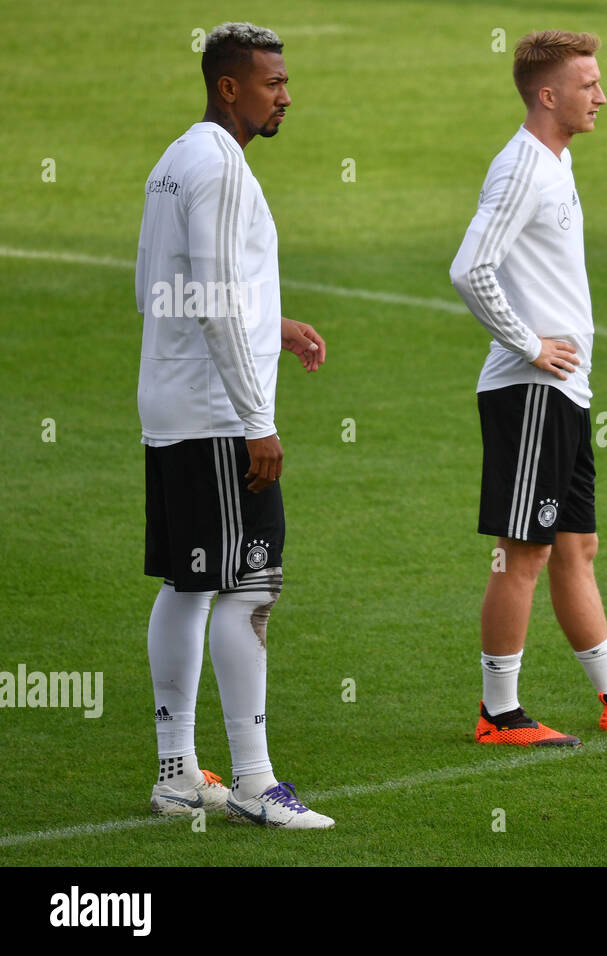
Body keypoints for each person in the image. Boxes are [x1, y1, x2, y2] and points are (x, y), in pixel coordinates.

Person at [450, 30, 607, 746]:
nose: (602, 96)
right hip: (530, 391)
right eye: (589, 84)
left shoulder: (556, 161)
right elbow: (470, 268)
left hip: (566, 394)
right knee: (520, 550)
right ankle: (499, 713)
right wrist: (528, 343)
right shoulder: (522, 166)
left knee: (575, 546)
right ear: (548, 95)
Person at [137, 22, 333, 829]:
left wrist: (269, 320)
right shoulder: (219, 166)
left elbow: (168, 283)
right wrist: (257, 420)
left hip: (175, 399)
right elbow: (212, 296)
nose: (286, 94)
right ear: (229, 87)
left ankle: (179, 772)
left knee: (190, 585)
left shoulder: (180, 157)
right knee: (252, 585)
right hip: (219, 413)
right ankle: (254, 781)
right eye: (273, 82)